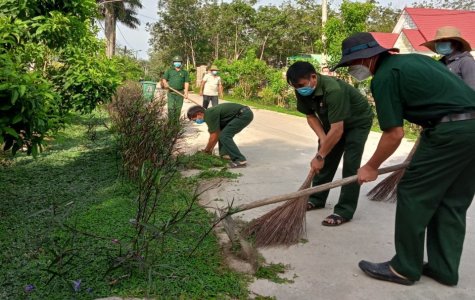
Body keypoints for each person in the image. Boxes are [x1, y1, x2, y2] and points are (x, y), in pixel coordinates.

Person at [332, 32, 475, 286]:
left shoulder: (385, 77)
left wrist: (371, 166)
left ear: (368, 58)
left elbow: (393, 134)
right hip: (469, 130)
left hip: (449, 133)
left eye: (353, 63)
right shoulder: (414, 61)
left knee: (412, 193)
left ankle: (405, 268)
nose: (353, 69)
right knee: (452, 201)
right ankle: (444, 269)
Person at [286, 61, 373, 226]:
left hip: (357, 122)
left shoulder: (333, 89)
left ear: (313, 77)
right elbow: (311, 116)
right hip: (333, 123)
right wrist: (323, 141)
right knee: (325, 160)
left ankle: (344, 210)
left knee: (351, 163)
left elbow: (338, 129)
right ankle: (317, 198)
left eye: (301, 85)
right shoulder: (301, 90)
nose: (298, 89)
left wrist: (320, 155)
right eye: (295, 87)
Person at [187, 103, 253, 168]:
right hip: (242, 114)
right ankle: (225, 154)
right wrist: (210, 150)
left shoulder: (209, 115)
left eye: (195, 119)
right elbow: (216, 134)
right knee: (221, 132)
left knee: (224, 135)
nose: (196, 121)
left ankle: (240, 159)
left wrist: (206, 150)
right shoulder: (209, 113)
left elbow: (213, 136)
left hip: (243, 115)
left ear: (199, 114)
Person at [161, 56, 190, 120]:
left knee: (178, 109)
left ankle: (176, 123)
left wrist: (186, 93)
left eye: (178, 62)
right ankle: (170, 124)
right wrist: (165, 84)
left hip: (180, 93)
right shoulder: (169, 71)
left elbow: (186, 82)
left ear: (181, 63)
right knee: (171, 108)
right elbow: (164, 79)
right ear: (173, 63)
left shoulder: (184, 72)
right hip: (171, 93)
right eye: (176, 62)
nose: (177, 63)